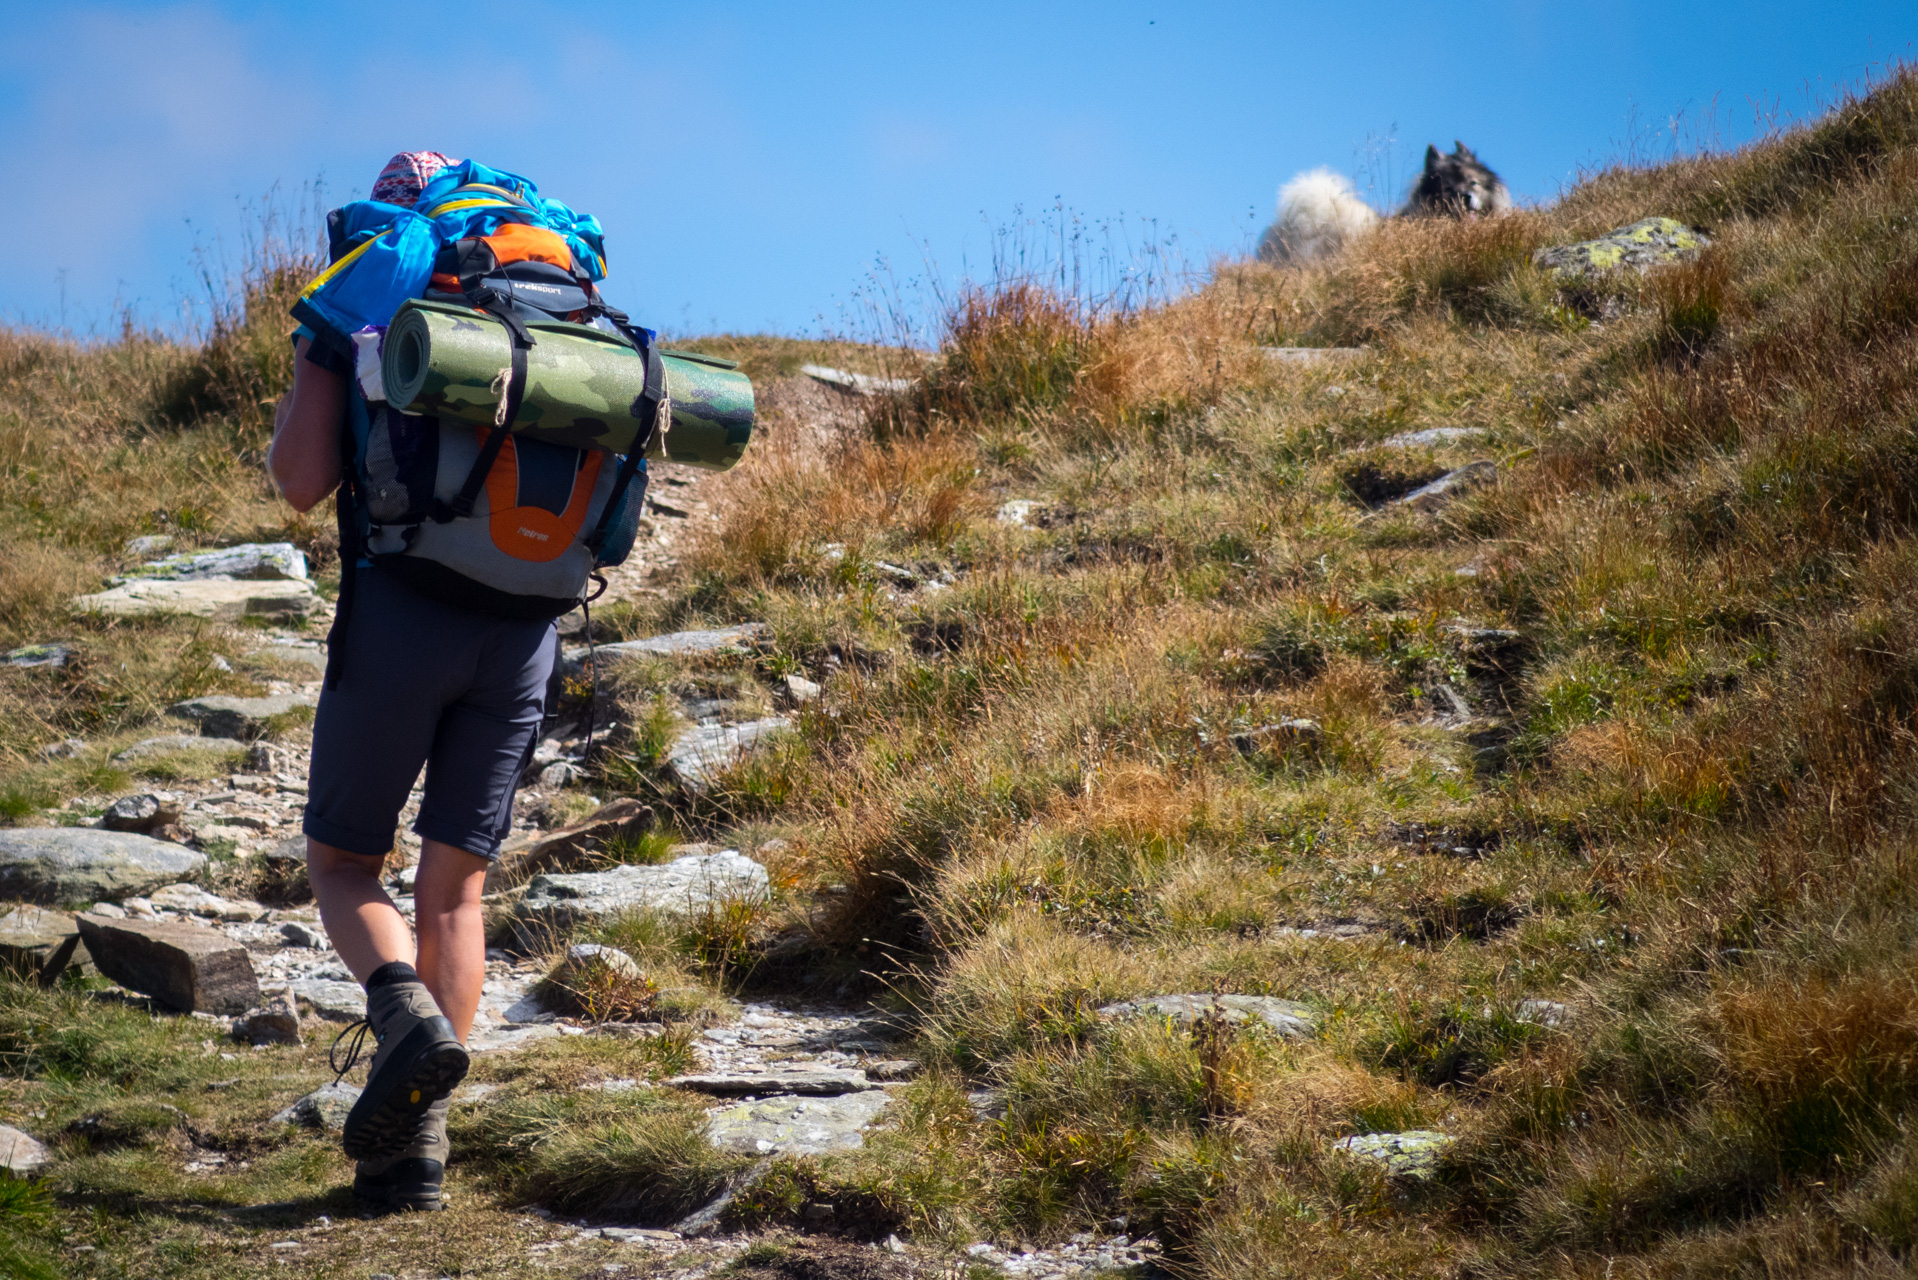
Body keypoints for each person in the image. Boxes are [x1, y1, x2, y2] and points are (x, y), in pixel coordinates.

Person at [268, 150, 559, 1214]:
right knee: (458, 891)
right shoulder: (556, 285)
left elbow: (301, 483)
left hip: (403, 612)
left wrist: (317, 357)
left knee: (344, 859)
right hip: (528, 629)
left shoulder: (379, 273)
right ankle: (414, 1160)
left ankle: (405, 1021)